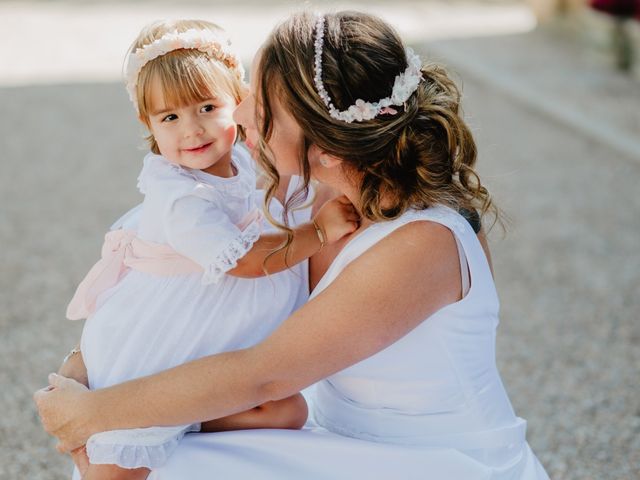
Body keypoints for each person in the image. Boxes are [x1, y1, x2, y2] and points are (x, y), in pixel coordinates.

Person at [35, 11, 550, 479]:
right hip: (335, 437)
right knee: (144, 460)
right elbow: (179, 278)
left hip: (435, 461)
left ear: (324, 146)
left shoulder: (422, 244)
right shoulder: (310, 190)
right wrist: (92, 361)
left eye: (262, 106)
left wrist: (96, 412)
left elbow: (264, 376)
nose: (240, 113)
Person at [59, 18, 357, 480]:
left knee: (289, 411)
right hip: (168, 335)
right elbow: (241, 261)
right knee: (115, 468)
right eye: (170, 118)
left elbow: (286, 182)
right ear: (148, 124)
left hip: (218, 334)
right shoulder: (179, 196)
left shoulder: (242, 156)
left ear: (237, 103)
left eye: (206, 107)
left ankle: (193, 415)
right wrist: (316, 235)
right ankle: (149, 417)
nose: (192, 130)